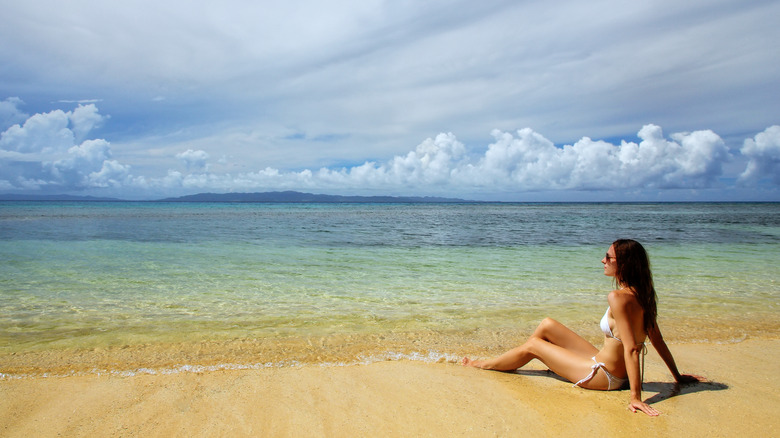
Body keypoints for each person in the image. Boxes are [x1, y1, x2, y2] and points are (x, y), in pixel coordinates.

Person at [462, 239, 702, 416]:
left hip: (606, 377)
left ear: (624, 265)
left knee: (535, 345)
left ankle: (483, 364)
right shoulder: (643, 295)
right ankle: (521, 361)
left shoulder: (617, 298)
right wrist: (677, 376)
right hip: (609, 367)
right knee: (547, 326)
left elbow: (632, 349)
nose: (603, 260)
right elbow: (657, 340)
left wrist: (635, 398)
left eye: (608, 257)